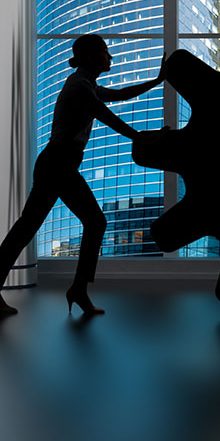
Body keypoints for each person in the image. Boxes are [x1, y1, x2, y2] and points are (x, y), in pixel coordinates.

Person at [0, 35, 167, 317]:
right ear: (90, 57)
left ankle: (78, 289)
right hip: (58, 164)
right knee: (81, 223)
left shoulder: (86, 84)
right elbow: (107, 116)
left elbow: (121, 94)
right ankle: (77, 289)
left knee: (30, 228)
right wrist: (143, 138)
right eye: (104, 51)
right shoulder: (79, 87)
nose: (110, 56)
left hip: (60, 164)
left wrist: (157, 80)